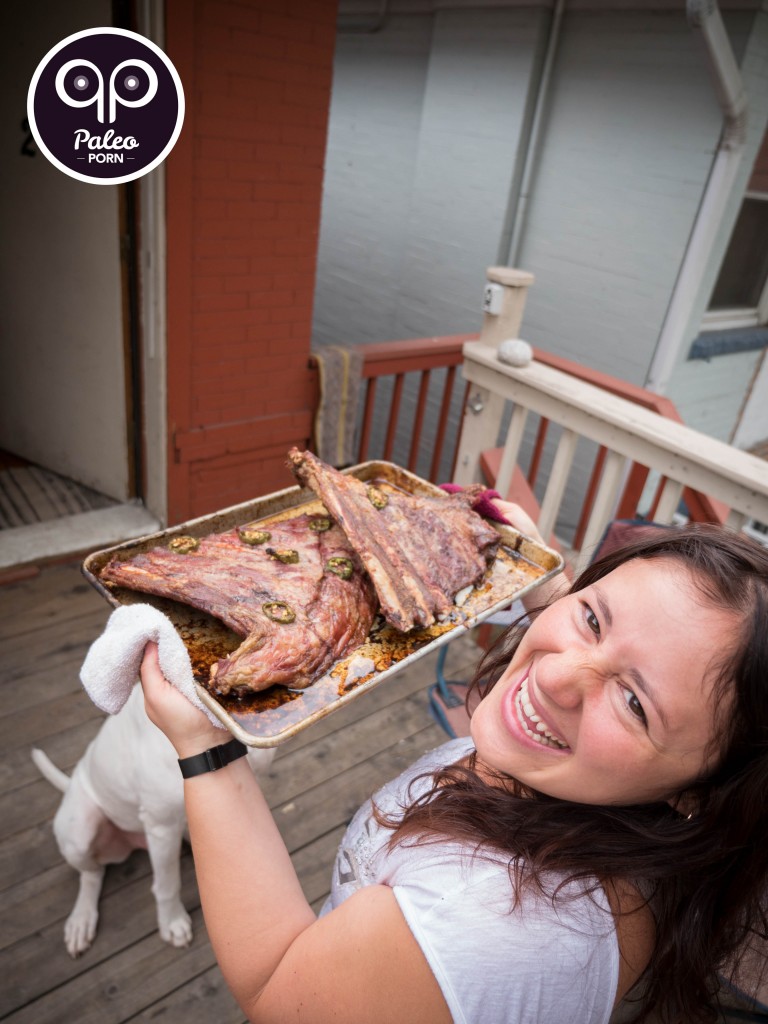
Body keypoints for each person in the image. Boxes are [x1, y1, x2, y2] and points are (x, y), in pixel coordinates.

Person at [138, 512, 768, 1024]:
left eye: (636, 704)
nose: (552, 674)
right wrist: (541, 582)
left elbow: (278, 992)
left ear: (705, 788)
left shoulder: (476, 925)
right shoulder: (654, 833)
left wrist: (208, 750)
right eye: (593, 616)